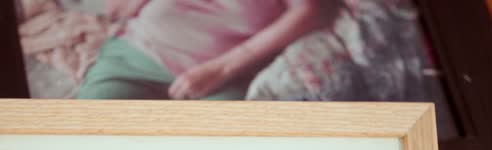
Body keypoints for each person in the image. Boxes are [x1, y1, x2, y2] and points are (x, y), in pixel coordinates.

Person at [78, 0, 326, 100]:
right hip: (135, 56)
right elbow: (116, 8)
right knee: (91, 138)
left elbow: (310, 12)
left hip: (223, 76)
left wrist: (221, 69)